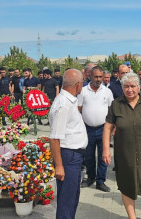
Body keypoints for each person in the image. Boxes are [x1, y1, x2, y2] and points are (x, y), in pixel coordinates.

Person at [102, 72, 141, 219]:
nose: (129, 89)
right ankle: (132, 217)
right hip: (125, 153)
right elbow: (107, 127)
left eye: (132, 86)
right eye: (126, 86)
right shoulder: (116, 104)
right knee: (127, 183)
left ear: (138, 87)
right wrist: (106, 149)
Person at [48, 69, 87, 219]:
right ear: (78, 85)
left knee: (72, 197)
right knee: (66, 200)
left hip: (73, 156)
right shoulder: (63, 105)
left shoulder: (69, 101)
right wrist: (59, 165)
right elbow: (54, 138)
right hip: (67, 156)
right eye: (82, 82)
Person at [78, 66, 114, 192]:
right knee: (88, 156)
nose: (98, 79)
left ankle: (100, 181)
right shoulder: (83, 91)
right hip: (87, 129)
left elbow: (111, 110)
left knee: (103, 156)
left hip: (103, 129)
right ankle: (91, 178)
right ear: (90, 76)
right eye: (96, 76)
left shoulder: (107, 92)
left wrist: (112, 128)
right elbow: (78, 109)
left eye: (100, 77)